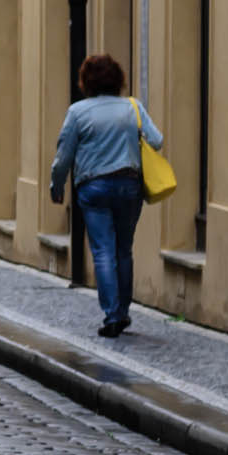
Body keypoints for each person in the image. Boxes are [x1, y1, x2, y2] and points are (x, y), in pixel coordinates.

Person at [52, 53, 163, 337]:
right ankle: (123, 311)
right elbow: (157, 140)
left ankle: (112, 314)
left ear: (86, 82)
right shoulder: (132, 107)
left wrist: (57, 185)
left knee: (102, 250)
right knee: (123, 250)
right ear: (118, 79)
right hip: (129, 185)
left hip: (94, 188)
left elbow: (64, 156)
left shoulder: (78, 112)